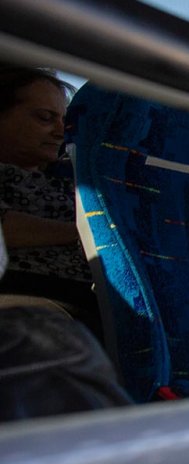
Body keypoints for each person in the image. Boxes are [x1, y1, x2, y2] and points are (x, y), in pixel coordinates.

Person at [0, 66, 100, 338]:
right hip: (31, 294)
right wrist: (85, 233)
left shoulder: (79, 178)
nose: (60, 131)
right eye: (44, 118)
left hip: (100, 301)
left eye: (63, 121)